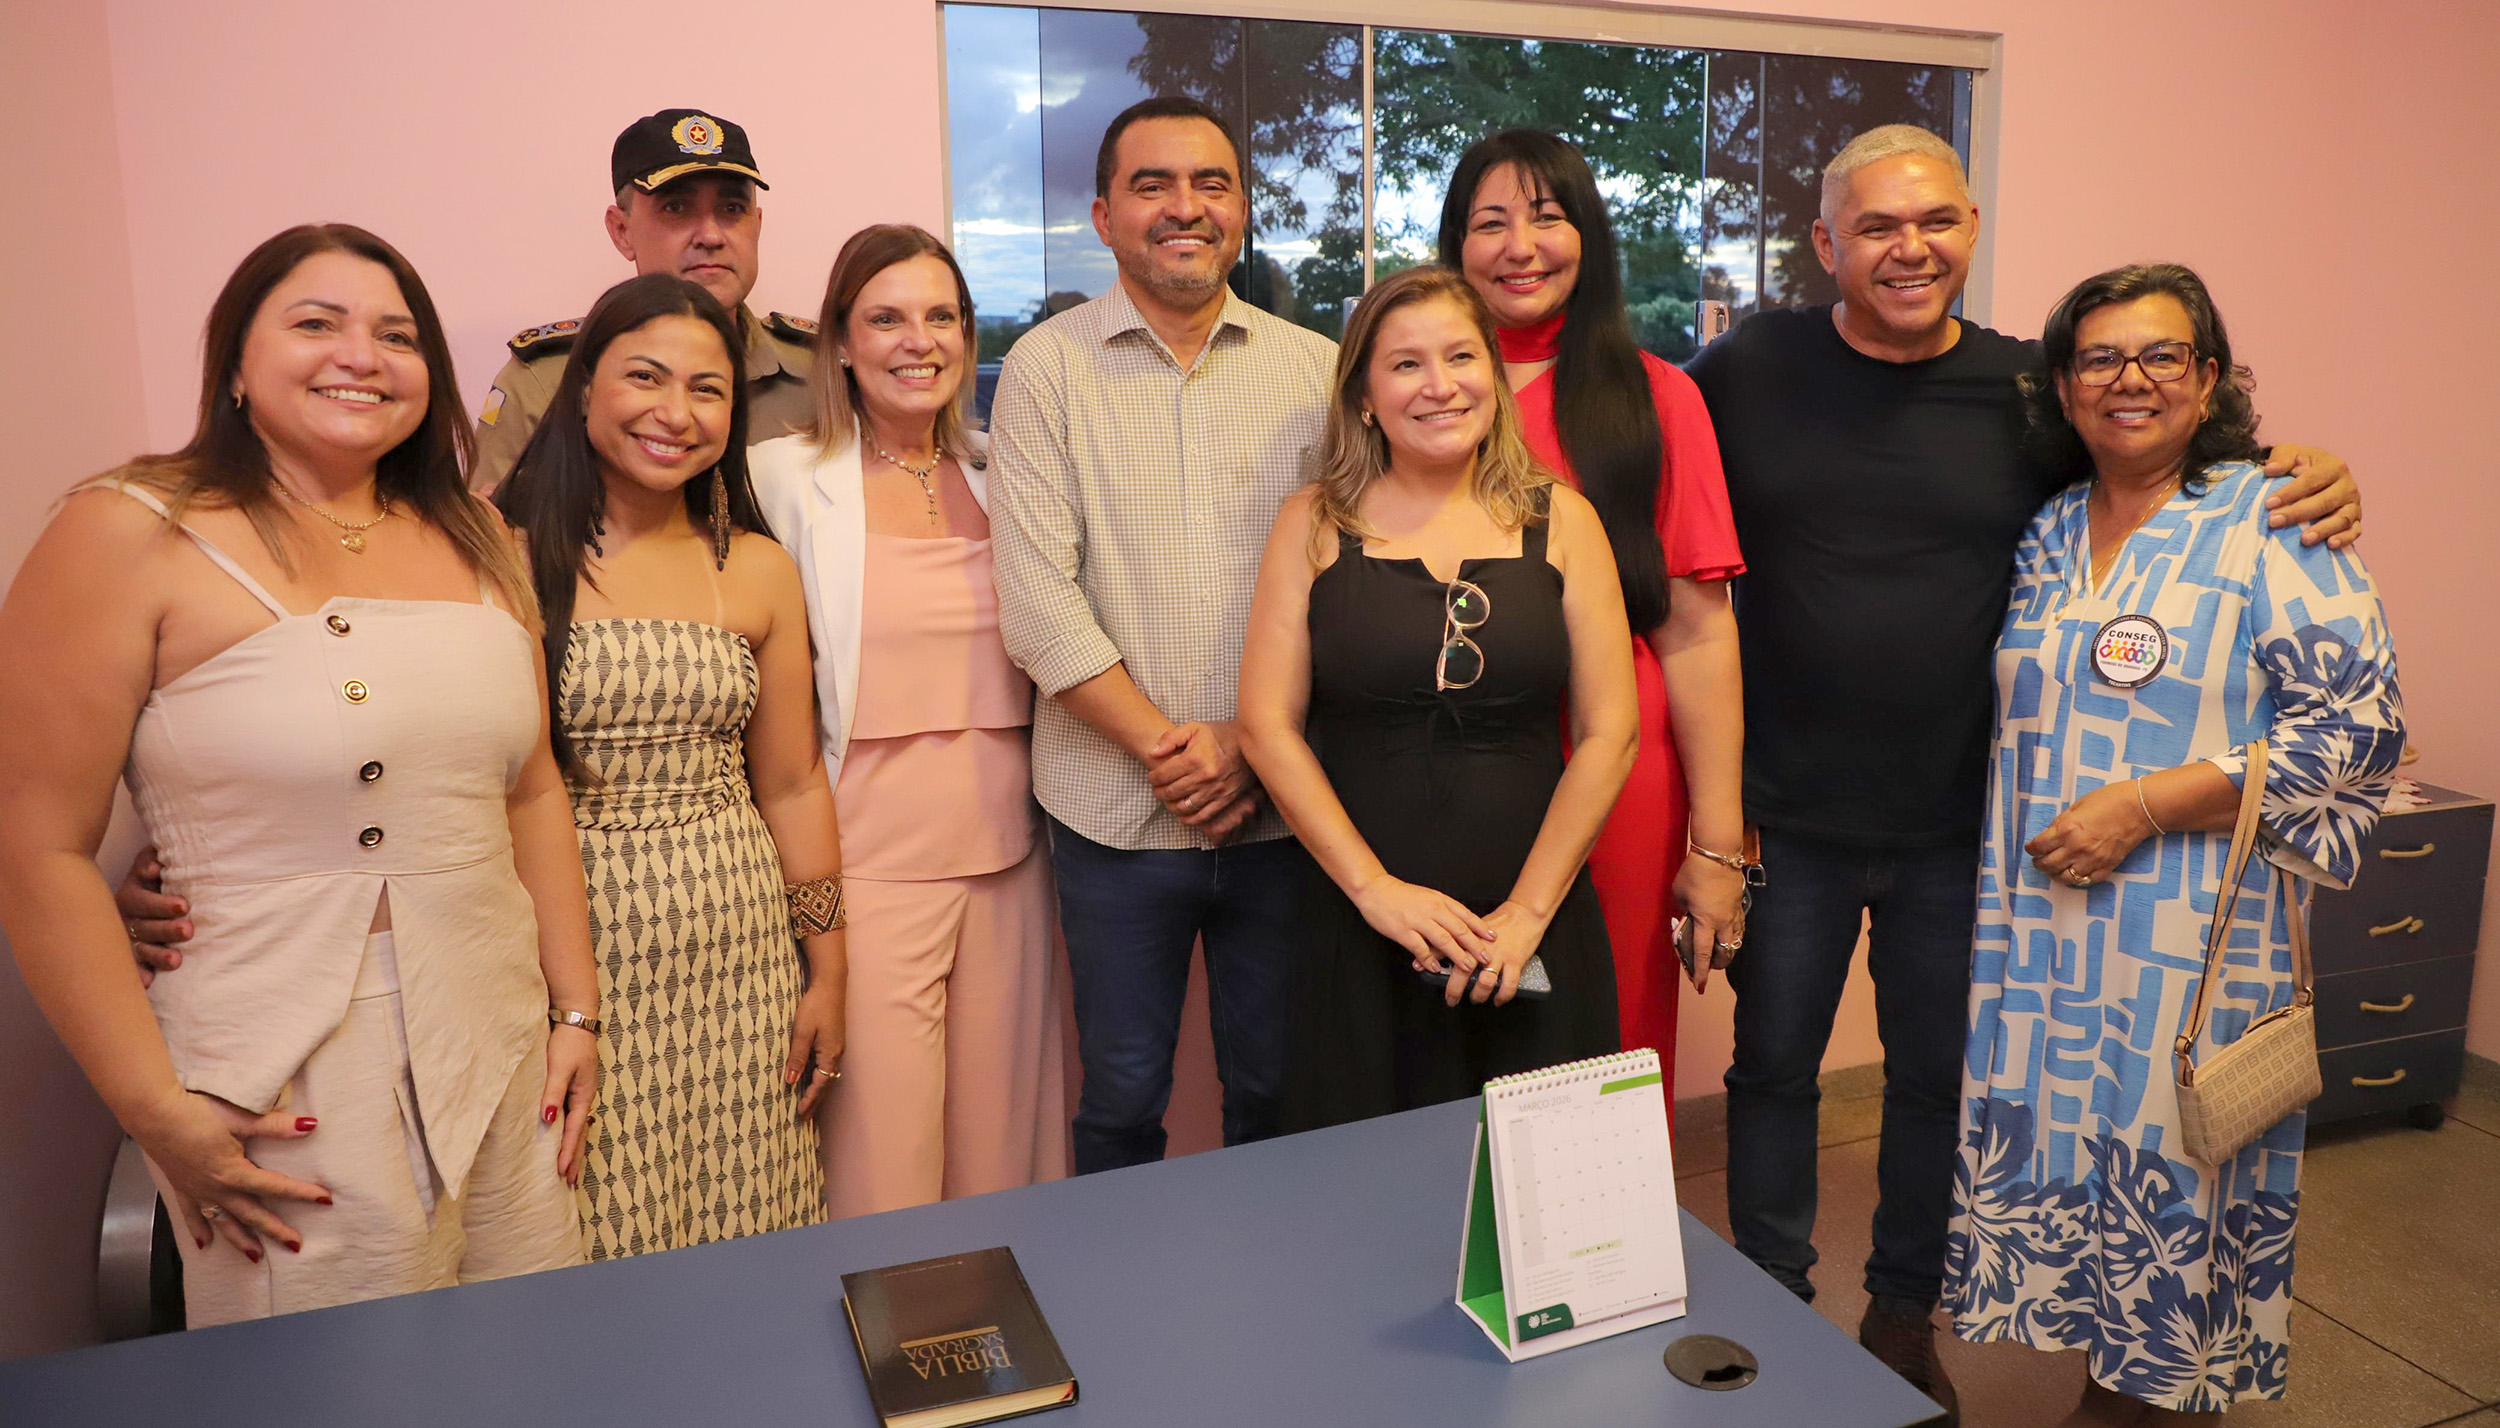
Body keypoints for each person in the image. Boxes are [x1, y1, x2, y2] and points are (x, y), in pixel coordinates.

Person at [1683, 122, 2364, 1416]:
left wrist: (2311, 470)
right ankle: (1768, 1307)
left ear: (1972, 229)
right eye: (1876, 226)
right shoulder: (1748, 368)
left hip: (1969, 831)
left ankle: (1899, 1319)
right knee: (1768, 1072)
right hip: (1788, 820)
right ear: (1824, 242)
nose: (1909, 248)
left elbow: (2164, 466)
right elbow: (1645, 482)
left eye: (1935, 220)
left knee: (1938, 1085)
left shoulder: (2025, 393)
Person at [0, 224, 596, 1325]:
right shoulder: (126, 530)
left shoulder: (477, 536)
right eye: (316, 323)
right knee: (335, 1381)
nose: (361, 355)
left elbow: (532, 793)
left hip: (499, 1048)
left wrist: (577, 1014)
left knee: (532, 1360)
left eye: (397, 335)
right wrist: (153, 1108)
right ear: (235, 361)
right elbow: (36, 847)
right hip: (278, 1075)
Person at [1945, 264, 2402, 1424]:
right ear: (2064, 386)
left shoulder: (2273, 518)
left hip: (2194, 931)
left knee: (2175, 1177)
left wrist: (2142, 806)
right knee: (2066, 1157)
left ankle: (2144, 1402)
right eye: (2099, 358)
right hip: (2045, 939)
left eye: (2161, 356)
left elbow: (2356, 731)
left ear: (2207, 380)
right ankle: (2100, 1380)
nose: (2129, 380)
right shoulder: (2048, 529)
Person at [989, 95, 1336, 1173]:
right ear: (1104, 216)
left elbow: (1349, 591)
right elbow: (1037, 601)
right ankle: (1120, 1278)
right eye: (1152, 186)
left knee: (1278, 1091)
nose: (1185, 207)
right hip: (1111, 815)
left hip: (1283, 815)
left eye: (1210, 183)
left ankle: (1271, 1271)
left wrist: (1247, 744)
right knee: (1122, 1095)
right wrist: (1174, 751)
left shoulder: (1318, 371)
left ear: (1242, 209)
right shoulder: (1046, 367)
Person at [492, 273, 844, 1258]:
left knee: (752, 1224)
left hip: (739, 949)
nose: (676, 413)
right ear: (583, 389)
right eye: (645, 377)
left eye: (707, 389)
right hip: (569, 953)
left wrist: (828, 970)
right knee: (592, 1227)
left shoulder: (756, 567)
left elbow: (792, 784)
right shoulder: (500, 556)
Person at [1238, 265, 1636, 1123]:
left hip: (1534, 920)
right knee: (1367, 1177)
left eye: (1461, 357)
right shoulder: (1313, 522)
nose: (1440, 385)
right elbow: (1267, 726)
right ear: (1364, 396)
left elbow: (1611, 731)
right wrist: (1374, 890)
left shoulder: (1565, 520)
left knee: (1545, 1181)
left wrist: (1527, 912)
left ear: (1493, 374)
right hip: (1361, 923)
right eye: (1406, 364)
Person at [748, 224, 1068, 1218]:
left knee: (1005, 1159)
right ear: (840, 341)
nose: (917, 341)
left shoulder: (1006, 472)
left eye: (940, 317)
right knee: (883, 1166)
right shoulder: (779, 477)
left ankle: (1007, 1321)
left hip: (1010, 861)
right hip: (868, 869)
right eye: (885, 318)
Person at [1436, 128, 1748, 1080]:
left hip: (1619, 774)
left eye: (1547, 217)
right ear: (1454, 244)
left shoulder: (1657, 399)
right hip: (1445, 765)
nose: (1520, 247)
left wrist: (1718, 848)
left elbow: (1698, 635)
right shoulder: (1421, 398)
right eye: (1490, 222)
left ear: (1589, 238)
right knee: (1443, 1047)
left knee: (1603, 1052)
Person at [468, 108, 817, 493]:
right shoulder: (544, 380)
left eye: (732, 209)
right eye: (676, 208)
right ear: (622, 231)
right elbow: (487, 527)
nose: (711, 236)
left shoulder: (817, 374)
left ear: (758, 226)